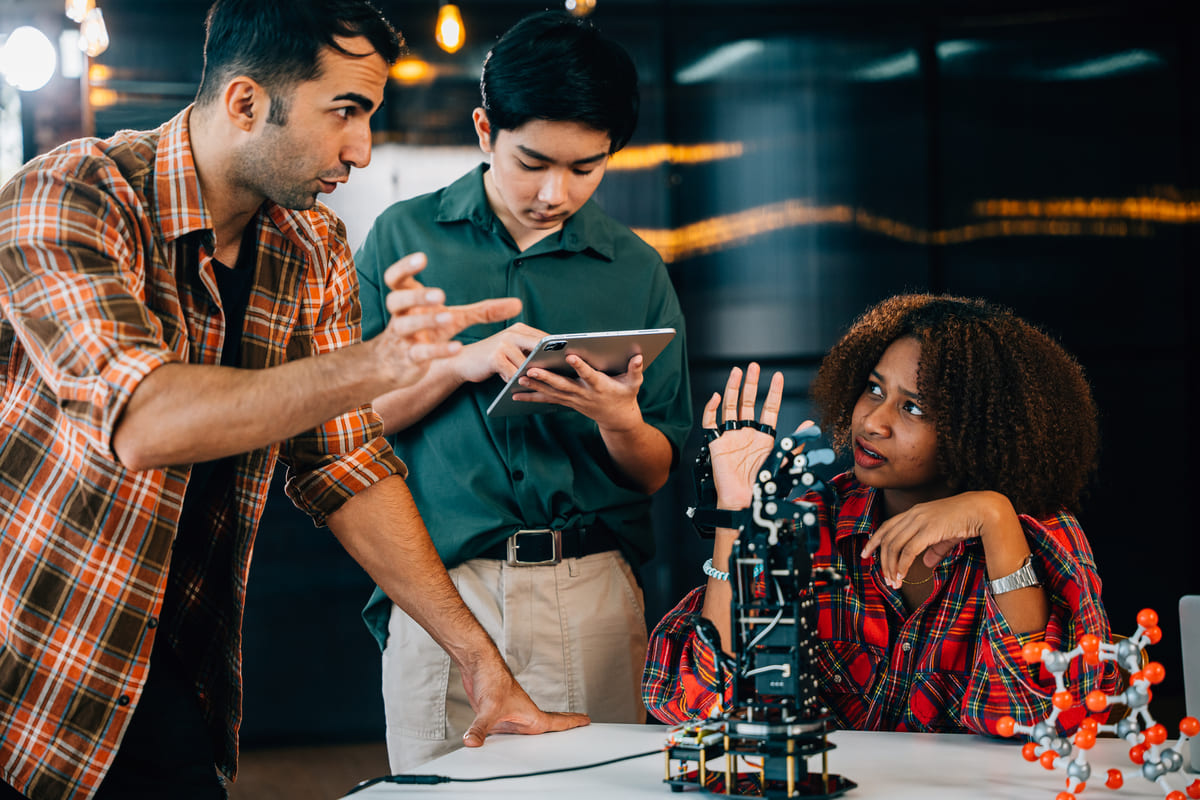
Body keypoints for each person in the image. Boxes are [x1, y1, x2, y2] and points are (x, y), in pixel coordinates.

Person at [0, 2, 588, 799]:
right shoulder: (70, 194)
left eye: (369, 114)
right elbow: (142, 421)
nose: (363, 147)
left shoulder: (310, 246)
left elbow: (346, 462)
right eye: (344, 112)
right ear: (245, 103)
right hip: (32, 661)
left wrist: (485, 668)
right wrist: (375, 363)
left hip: (169, 664)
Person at [355, 10, 692, 771]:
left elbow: (656, 468)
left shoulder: (635, 269)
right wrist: (456, 366)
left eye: (586, 167)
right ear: (484, 129)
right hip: (442, 593)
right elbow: (347, 426)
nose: (555, 192)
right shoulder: (403, 238)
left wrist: (619, 421)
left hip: (592, 592)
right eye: (532, 161)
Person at [643, 294, 1118, 734]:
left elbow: (1048, 718)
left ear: (979, 431)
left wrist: (994, 519)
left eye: (913, 407)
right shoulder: (814, 524)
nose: (871, 421)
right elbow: (701, 703)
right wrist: (736, 516)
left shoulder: (1039, 534)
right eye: (874, 389)